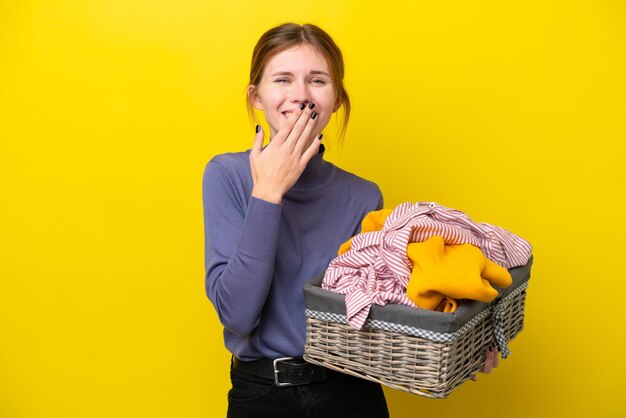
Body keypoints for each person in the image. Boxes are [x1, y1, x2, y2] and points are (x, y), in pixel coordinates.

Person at [202, 23, 389, 417]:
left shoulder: (364, 196)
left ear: (336, 98)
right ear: (257, 97)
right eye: (283, 79)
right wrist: (268, 192)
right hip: (263, 395)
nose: (301, 95)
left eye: (317, 80)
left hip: (352, 393)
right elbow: (237, 314)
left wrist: (460, 336)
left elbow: (378, 305)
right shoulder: (227, 175)